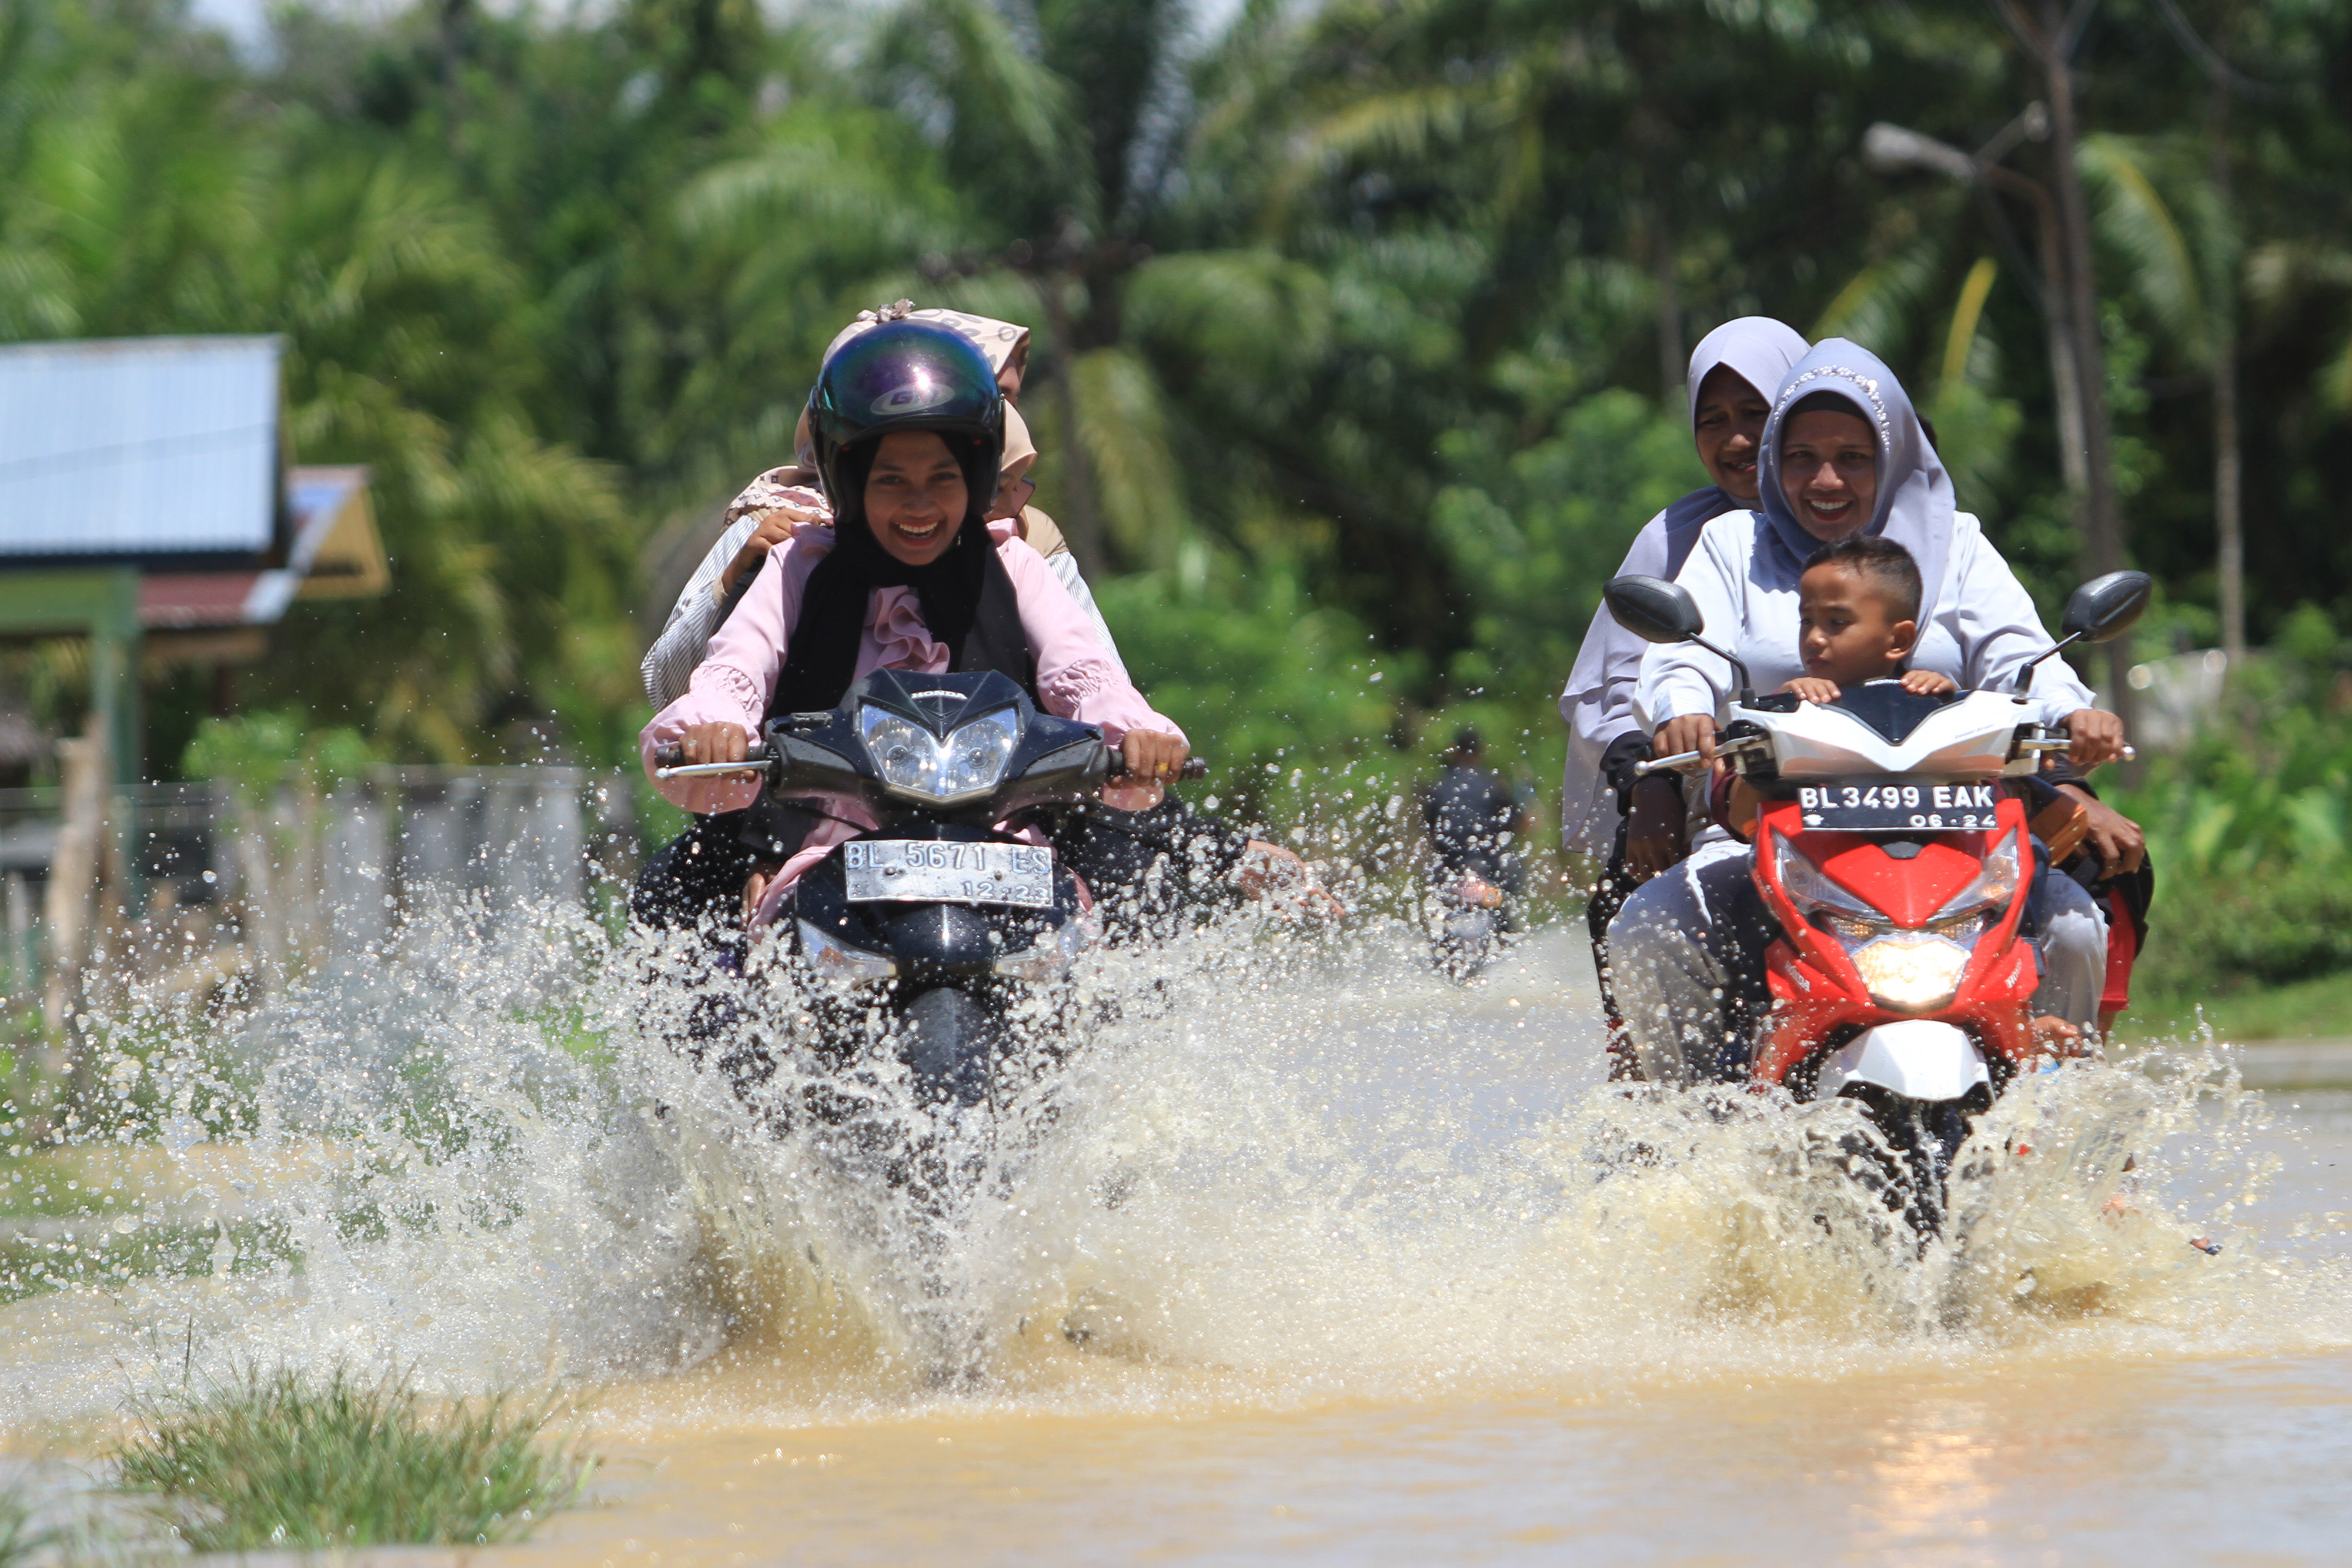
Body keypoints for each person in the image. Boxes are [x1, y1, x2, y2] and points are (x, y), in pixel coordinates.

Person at [1607, 340, 2136, 1084]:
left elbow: (2027, 657)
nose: (1825, 480)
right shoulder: (1732, 543)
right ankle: (1685, 1132)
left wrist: (2076, 714)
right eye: (1800, 457)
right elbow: (1682, 657)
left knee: (2077, 926)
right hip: (1773, 826)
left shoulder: (1959, 546)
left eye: (1853, 457)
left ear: (1893, 455)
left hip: (1963, 833)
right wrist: (1684, 710)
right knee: (1648, 928)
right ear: (1772, 463)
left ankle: (2056, 1129)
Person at [1558, 316, 1811, 1065]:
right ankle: (1656, 1102)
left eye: (1755, 415)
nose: (1736, 441)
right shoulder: (1682, 538)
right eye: (1713, 421)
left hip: (1865, 797)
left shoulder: (1891, 523)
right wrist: (1656, 785)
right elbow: (1616, 683)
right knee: (1637, 906)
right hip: (1712, 801)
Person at [1422, 727, 1529, 916]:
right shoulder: (1494, 785)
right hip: (1488, 868)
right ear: (1481, 751)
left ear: (1455, 750)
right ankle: (1506, 927)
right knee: (1505, 901)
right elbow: (1516, 823)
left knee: (1438, 913)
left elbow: (1430, 828)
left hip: (1452, 869)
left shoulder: (1439, 787)